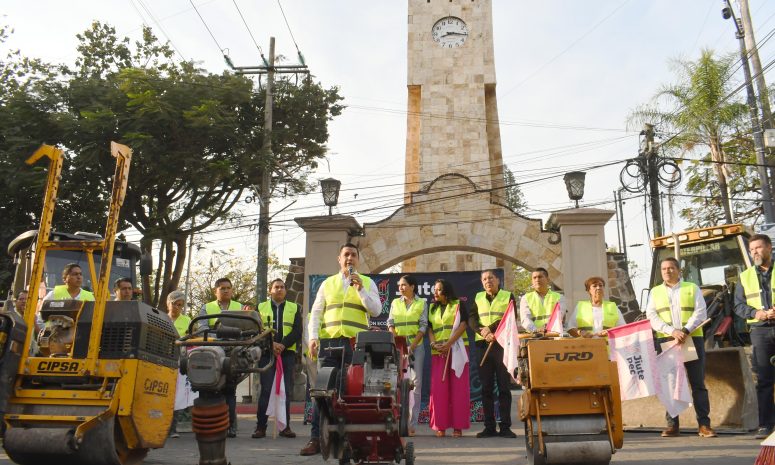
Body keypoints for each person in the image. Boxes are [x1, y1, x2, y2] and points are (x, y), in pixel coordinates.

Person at [300, 243, 382, 456]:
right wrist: (313, 338)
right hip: (329, 344)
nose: (349, 259)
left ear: (358, 260)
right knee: (321, 392)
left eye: (353, 255)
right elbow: (316, 312)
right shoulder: (328, 283)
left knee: (350, 393)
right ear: (339, 259)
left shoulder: (367, 282)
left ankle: (348, 441)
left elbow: (376, 310)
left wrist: (360, 289)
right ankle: (316, 439)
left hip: (356, 345)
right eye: (346, 255)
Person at [646, 257, 716, 438]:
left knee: (697, 383)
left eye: (670, 268)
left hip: (690, 340)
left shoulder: (692, 288)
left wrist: (684, 331)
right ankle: (672, 425)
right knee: (670, 384)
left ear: (679, 270)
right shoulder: (655, 292)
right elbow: (652, 316)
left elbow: (701, 312)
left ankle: (704, 425)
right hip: (667, 342)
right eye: (663, 269)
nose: (667, 271)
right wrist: (671, 331)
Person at [733, 233, 775, 439]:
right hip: (760, 330)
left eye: (758, 248)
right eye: (752, 250)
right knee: (765, 379)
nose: (755, 252)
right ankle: (766, 424)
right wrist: (756, 313)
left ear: (769, 248)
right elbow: (739, 305)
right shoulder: (744, 276)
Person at [468, 269, 517, 439]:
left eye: (491, 278)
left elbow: (510, 316)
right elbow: (472, 318)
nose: (488, 281)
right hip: (483, 345)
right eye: (484, 279)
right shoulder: (478, 297)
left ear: (498, 280)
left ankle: (505, 427)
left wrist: (493, 328)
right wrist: (483, 332)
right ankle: (489, 427)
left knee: (504, 388)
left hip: (502, 344)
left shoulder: (507, 295)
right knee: (486, 388)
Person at [253, 278, 301, 439]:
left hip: (287, 355)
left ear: (286, 291)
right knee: (266, 390)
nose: (279, 289)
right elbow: (256, 330)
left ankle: (285, 427)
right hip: (267, 353)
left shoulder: (294, 308)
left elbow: (297, 331)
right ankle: (260, 427)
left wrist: (282, 345)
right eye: (276, 287)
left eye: (282, 287)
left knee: (285, 390)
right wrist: (271, 345)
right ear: (270, 290)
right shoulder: (260, 307)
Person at [198, 277, 243, 438]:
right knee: (213, 390)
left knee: (230, 390)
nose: (226, 290)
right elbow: (202, 329)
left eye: (228, 288)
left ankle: (231, 426)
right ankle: (213, 425)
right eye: (222, 288)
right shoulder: (206, 308)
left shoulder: (240, 307)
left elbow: (246, 329)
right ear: (215, 291)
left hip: (233, 352)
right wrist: (219, 337)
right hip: (213, 352)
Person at [427, 278, 470, 438]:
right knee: (439, 390)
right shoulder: (431, 308)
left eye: (438, 289)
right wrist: (433, 344)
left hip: (457, 349)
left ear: (446, 291)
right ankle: (440, 425)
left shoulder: (458, 305)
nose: (435, 292)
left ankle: (458, 427)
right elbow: (430, 329)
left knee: (459, 390)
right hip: (438, 352)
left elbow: (464, 325)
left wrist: (450, 343)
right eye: (434, 289)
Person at [387, 275, 428, 437]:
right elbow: (390, 323)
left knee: (416, 384)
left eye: (404, 285)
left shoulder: (422, 303)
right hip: (398, 348)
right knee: (395, 383)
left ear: (412, 286)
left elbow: (423, 326)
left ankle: (411, 424)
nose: (401, 288)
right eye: (399, 285)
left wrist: (412, 346)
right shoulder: (395, 303)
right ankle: (396, 421)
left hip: (416, 348)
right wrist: (397, 343)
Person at [167, 290, 196, 438]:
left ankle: (173, 429)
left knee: (178, 395)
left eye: (180, 305)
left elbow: (193, 339)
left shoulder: (187, 320)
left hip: (181, 361)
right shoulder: (162, 318)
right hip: (164, 360)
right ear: (168, 303)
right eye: (174, 304)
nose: (177, 307)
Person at [519, 267, 566, 332]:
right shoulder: (525, 298)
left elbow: (559, 317)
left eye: (540, 277)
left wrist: (547, 329)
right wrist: (536, 330)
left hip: (555, 334)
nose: (537, 280)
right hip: (534, 337)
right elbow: (525, 319)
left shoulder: (559, 297)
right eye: (534, 278)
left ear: (548, 280)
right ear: (532, 281)